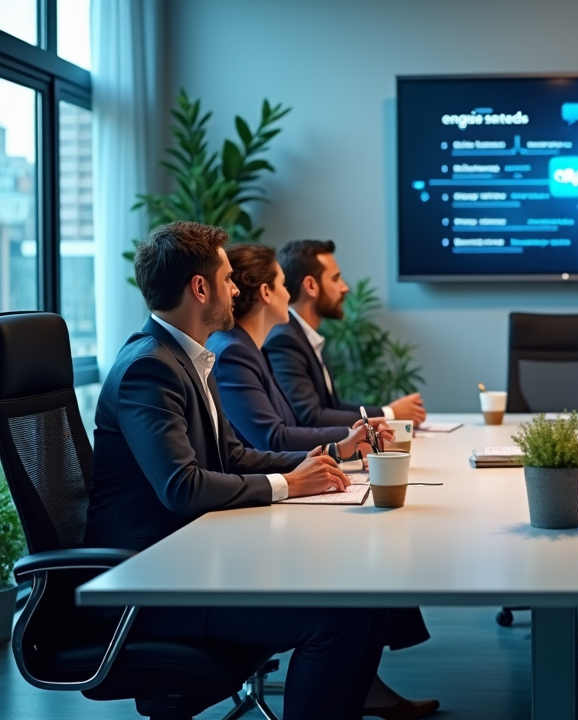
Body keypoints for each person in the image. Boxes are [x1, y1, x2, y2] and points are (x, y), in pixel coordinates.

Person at [86, 221, 390, 720]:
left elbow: (232, 456)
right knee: (341, 616)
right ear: (199, 288)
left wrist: (326, 459)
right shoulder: (149, 367)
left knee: (362, 597)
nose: (236, 288)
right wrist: (289, 484)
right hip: (150, 587)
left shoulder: (187, 359)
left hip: (191, 563)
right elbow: (181, 488)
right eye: (228, 278)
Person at [207, 243, 439, 719]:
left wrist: (334, 452)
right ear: (268, 290)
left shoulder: (247, 350)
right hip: (221, 540)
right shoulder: (231, 352)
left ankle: (361, 695)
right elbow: (264, 439)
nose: (290, 294)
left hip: (257, 500)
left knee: (367, 590)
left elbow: (247, 446)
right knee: (355, 597)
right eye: (283, 284)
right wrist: (315, 465)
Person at [264, 239, 427, 428]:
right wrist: (390, 414)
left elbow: (333, 407)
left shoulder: (304, 335)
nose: (345, 287)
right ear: (310, 286)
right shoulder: (285, 339)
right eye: (335, 279)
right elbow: (312, 417)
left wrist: (387, 413)